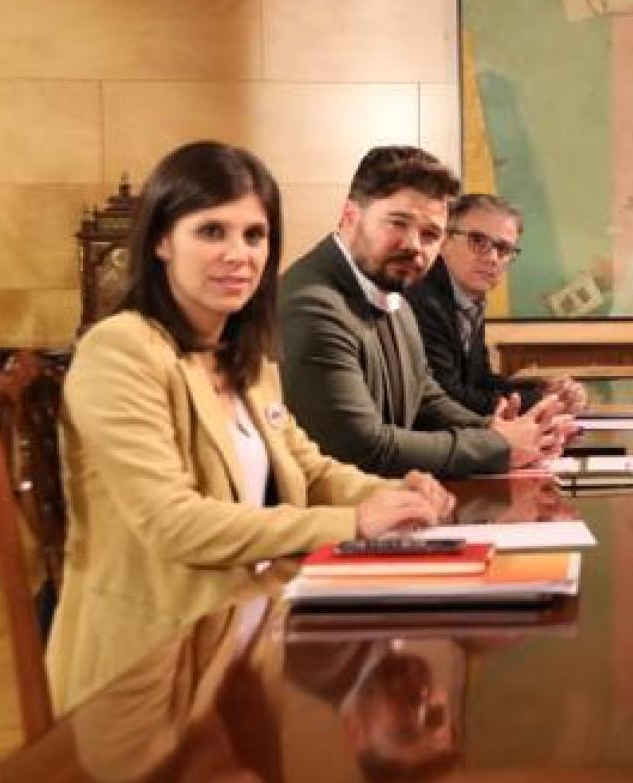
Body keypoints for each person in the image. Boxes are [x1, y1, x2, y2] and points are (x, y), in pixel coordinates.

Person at [48, 141, 456, 713]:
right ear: (162, 240)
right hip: (151, 670)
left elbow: (308, 468)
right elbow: (175, 525)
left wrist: (397, 493)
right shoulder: (122, 349)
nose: (238, 254)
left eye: (254, 235)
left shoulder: (244, 353)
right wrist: (355, 520)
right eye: (211, 231)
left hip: (250, 644)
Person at [279, 147, 573, 479]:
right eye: (398, 223)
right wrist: (496, 446)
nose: (414, 245)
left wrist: (498, 429)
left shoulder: (395, 295)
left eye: (430, 234)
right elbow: (361, 448)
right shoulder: (312, 305)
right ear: (350, 216)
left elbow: (423, 396)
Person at [405, 193, 586, 415]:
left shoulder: (470, 298)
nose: (492, 258)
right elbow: (448, 396)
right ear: (444, 241)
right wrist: (542, 400)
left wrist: (543, 389)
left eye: (503, 249)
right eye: (478, 241)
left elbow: (478, 381)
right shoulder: (422, 299)